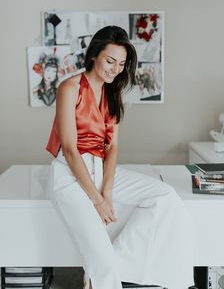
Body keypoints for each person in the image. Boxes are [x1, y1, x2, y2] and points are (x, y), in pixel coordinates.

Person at [46, 26, 195, 289]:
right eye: (110, 61)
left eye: (122, 64)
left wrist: (108, 191)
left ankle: (109, 266)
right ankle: (102, 272)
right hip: (70, 174)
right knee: (105, 267)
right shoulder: (70, 88)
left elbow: (112, 147)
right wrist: (97, 200)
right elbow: (69, 149)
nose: (115, 69)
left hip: (99, 169)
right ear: (94, 55)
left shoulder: (113, 93)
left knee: (164, 197)